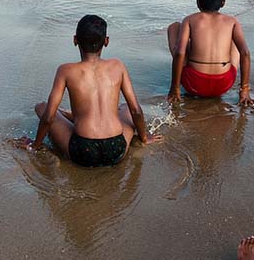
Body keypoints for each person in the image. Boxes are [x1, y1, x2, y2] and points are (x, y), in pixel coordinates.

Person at [22, 15, 161, 167]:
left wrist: (34, 145)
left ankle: (73, 116)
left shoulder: (65, 70)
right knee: (126, 108)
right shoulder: (118, 66)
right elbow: (136, 111)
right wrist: (145, 138)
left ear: (75, 40)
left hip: (82, 151)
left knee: (42, 107)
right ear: (106, 41)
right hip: (116, 148)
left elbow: (48, 117)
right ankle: (73, 115)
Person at [167, 0, 254, 106]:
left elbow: (180, 53)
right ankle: (241, 87)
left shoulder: (190, 19)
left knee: (175, 27)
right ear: (223, 2)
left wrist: (175, 88)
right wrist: (245, 89)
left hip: (193, 84)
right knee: (235, 42)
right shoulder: (232, 21)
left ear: (198, 2)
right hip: (224, 84)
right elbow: (245, 53)